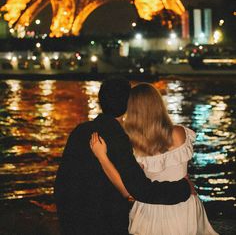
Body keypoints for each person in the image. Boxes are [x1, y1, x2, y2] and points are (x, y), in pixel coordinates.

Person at [54, 77, 191, 235]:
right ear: (128, 104)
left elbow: (62, 183)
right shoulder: (120, 137)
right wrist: (183, 188)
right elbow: (141, 191)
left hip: (73, 220)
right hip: (105, 223)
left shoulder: (80, 131)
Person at [90, 82, 218, 235]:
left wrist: (101, 156)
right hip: (184, 205)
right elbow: (182, 171)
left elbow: (127, 192)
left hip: (149, 209)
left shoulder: (131, 145)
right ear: (158, 105)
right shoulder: (180, 133)